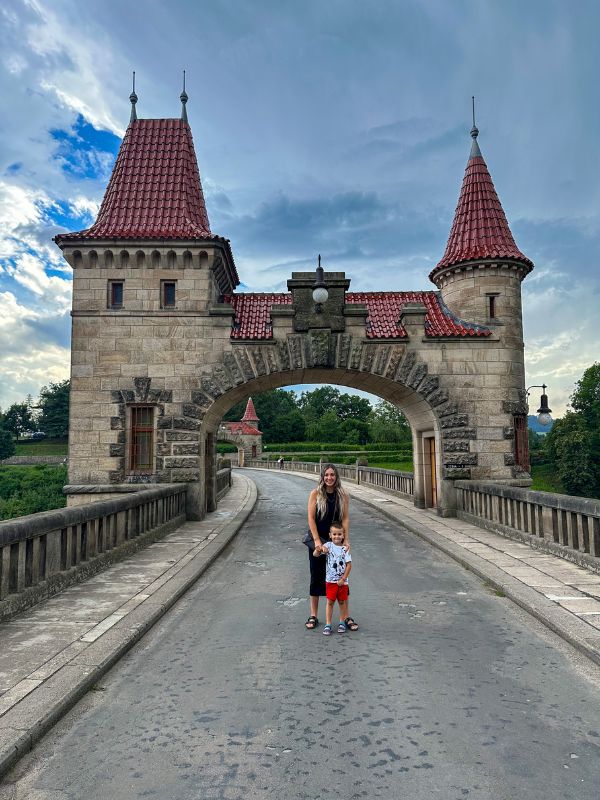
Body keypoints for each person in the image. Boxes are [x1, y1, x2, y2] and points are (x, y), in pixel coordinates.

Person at [304, 463, 359, 631]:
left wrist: (346, 540)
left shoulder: (343, 495)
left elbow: (346, 518)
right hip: (319, 540)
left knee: (341, 578)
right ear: (322, 477)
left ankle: (345, 616)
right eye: (326, 475)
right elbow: (311, 518)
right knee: (316, 575)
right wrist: (318, 542)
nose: (329, 478)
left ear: (336, 477)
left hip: (337, 542)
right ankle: (313, 615)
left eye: (332, 475)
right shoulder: (315, 494)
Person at [314, 522, 352, 635]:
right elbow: (315, 555)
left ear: (343, 535)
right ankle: (328, 624)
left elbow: (349, 565)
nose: (337, 536)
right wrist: (320, 549)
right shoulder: (328, 545)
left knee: (342, 602)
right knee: (330, 602)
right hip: (330, 581)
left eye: (339, 534)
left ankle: (342, 622)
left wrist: (343, 578)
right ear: (330, 535)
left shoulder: (345, 549)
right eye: (334, 534)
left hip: (342, 582)